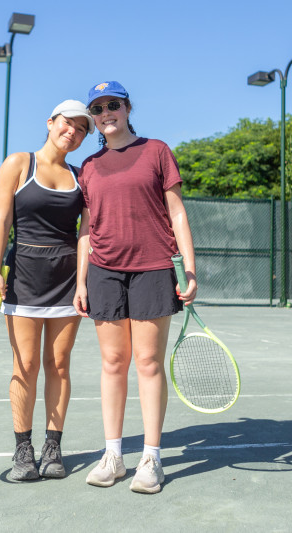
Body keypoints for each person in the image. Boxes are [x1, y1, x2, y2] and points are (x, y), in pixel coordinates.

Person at [73, 81, 197, 494]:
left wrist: (190, 270)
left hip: (153, 268)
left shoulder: (157, 151)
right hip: (104, 272)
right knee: (112, 363)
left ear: (127, 108)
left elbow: (177, 213)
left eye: (113, 104)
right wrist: (82, 280)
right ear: (93, 117)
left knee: (147, 363)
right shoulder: (89, 166)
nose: (106, 112)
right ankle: (113, 456)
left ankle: (151, 458)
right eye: (98, 108)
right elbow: (87, 229)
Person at [0, 99, 93, 481]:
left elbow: (85, 234)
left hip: (66, 281)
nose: (74, 132)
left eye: (82, 129)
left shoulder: (82, 176)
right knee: (26, 366)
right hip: (23, 277)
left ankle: (53, 449)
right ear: (51, 122)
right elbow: (1, 222)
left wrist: (82, 281)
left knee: (59, 365)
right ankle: (23, 451)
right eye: (68, 123)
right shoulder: (18, 163)